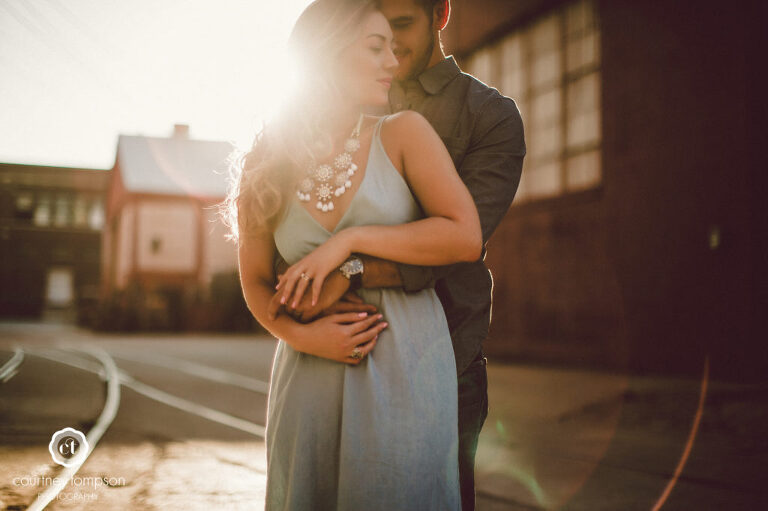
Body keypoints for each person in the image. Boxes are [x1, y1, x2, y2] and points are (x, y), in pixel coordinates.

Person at [221, 0, 482, 508]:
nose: (394, 60)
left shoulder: (405, 133)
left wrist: (348, 243)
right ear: (328, 52)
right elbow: (253, 280)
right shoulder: (267, 159)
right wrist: (302, 336)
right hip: (307, 373)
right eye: (376, 46)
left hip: (407, 364)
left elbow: (463, 235)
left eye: (393, 46)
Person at [269, 1, 526, 509]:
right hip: (325, 350)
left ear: (441, 14)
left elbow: (454, 244)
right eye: (376, 35)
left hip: (442, 351)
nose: (391, 48)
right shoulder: (333, 106)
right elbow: (287, 244)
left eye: (402, 26)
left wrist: (350, 267)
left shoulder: (489, 117)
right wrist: (299, 321)